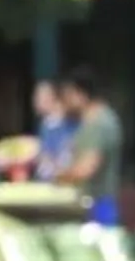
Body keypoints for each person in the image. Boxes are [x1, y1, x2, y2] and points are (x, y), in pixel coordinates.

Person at [53, 67, 125, 225]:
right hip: (101, 203)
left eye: (68, 95)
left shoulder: (97, 124)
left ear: (81, 95)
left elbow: (86, 168)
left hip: (96, 205)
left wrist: (58, 176)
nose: (65, 101)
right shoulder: (103, 118)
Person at [28, 79, 77, 183]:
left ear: (53, 98)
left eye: (39, 97)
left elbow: (67, 156)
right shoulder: (46, 124)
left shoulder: (70, 124)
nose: (35, 101)